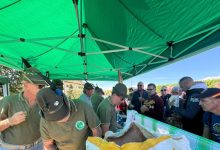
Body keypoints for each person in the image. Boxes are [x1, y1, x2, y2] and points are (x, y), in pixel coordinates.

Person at [37, 87, 101, 150]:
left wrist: (94, 148)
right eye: (56, 118)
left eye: (63, 113)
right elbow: (48, 145)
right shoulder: (44, 121)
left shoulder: (83, 107)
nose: (63, 119)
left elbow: (96, 130)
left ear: (66, 100)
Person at [0, 73, 47, 150]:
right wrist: (10, 121)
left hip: (38, 146)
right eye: (40, 85)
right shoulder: (8, 101)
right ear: (26, 84)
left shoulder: (43, 103)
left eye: (43, 85)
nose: (42, 88)